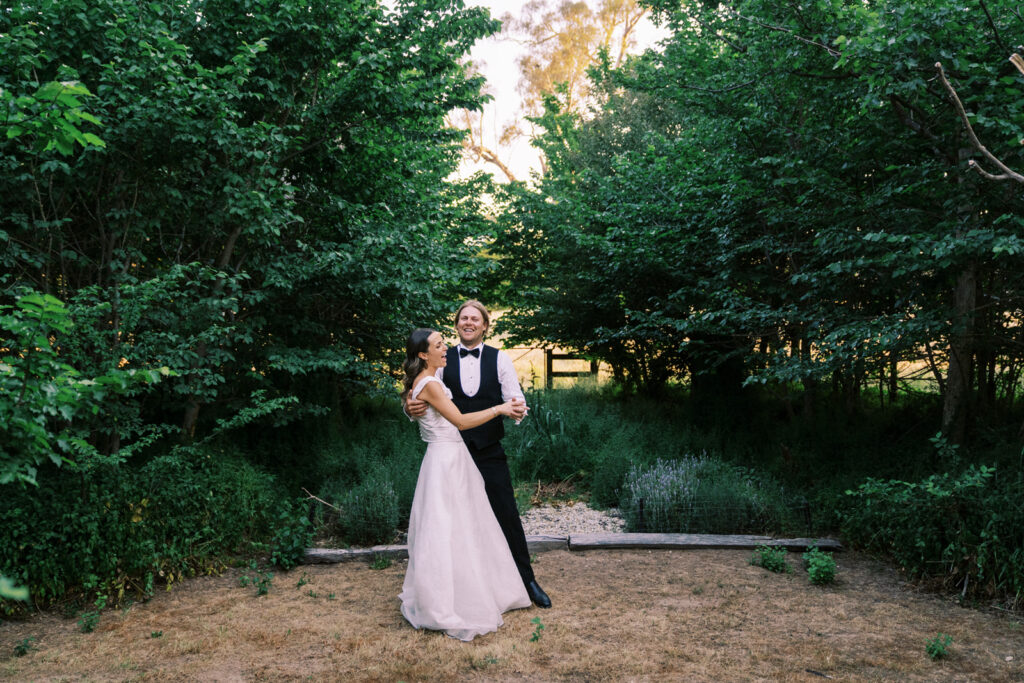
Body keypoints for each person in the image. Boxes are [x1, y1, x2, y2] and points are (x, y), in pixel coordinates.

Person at [405, 301, 552, 609]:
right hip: (452, 453)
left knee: (506, 514)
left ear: (485, 325)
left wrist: (516, 407)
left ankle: (526, 580)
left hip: (488, 451)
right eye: (463, 319)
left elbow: (515, 397)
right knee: (455, 521)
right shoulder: (441, 361)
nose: (468, 323)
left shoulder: (500, 359)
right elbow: (422, 393)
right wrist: (408, 407)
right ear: (457, 324)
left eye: (475, 319)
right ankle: (463, 587)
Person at [398, 328, 531, 641]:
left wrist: (409, 399)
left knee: (460, 529)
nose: (445, 348)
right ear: (422, 354)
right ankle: (445, 603)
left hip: (452, 459)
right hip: (445, 461)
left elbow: (424, 400)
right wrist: (499, 409)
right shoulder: (430, 382)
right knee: (445, 530)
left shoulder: (434, 377)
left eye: (444, 343)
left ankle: (467, 590)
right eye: (438, 345)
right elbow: (459, 421)